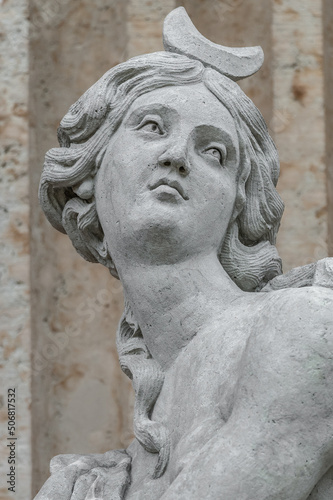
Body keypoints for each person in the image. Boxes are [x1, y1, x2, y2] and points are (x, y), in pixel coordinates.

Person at [35, 8, 333, 500]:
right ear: (89, 172)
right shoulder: (109, 474)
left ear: (239, 208)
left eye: (214, 152)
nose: (176, 156)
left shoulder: (301, 328)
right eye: (152, 127)